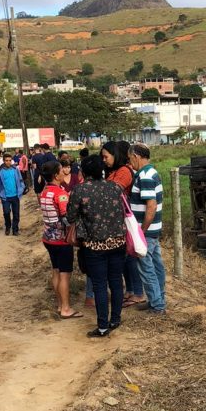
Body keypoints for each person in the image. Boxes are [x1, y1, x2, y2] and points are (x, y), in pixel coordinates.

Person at [66, 154, 126, 338]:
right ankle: (115, 320)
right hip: (118, 242)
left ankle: (102, 327)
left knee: (99, 285)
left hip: (94, 245)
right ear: (102, 170)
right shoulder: (115, 187)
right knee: (116, 282)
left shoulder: (79, 190)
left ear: (84, 171)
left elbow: (70, 216)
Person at [102, 140, 145, 307]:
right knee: (125, 257)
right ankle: (131, 290)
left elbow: (112, 192)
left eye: (106, 156)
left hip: (123, 219)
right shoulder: (115, 171)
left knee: (130, 258)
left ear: (116, 155)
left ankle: (138, 292)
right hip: (117, 220)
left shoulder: (124, 172)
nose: (104, 160)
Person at [39, 161, 82, 319]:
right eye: (61, 170)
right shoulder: (60, 193)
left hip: (48, 239)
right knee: (65, 275)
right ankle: (66, 308)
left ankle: (59, 305)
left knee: (56, 271)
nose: (64, 172)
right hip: (62, 240)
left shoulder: (45, 191)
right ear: (56, 175)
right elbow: (66, 217)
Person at [129, 143, 166, 315]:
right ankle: (157, 300)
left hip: (147, 231)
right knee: (156, 266)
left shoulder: (144, 176)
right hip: (153, 229)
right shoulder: (152, 172)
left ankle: (157, 305)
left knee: (146, 268)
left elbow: (151, 206)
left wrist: (141, 231)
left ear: (136, 156)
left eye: (130, 159)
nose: (130, 162)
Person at [0, 152, 25, 235]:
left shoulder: (15, 170)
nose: (8, 162)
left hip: (15, 196)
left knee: (16, 214)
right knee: (6, 213)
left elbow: (20, 180)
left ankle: (15, 230)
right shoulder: (0, 171)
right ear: (4, 161)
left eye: (10, 160)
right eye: (6, 160)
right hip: (5, 197)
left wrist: (22, 188)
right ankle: (8, 227)